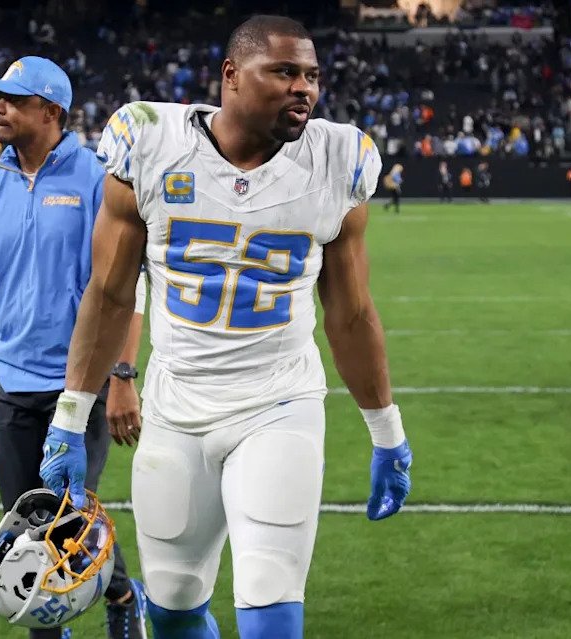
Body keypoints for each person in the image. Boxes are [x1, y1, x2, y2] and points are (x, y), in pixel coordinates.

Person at [38, 16, 413, 639]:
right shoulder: (151, 143)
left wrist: (386, 429)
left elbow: (350, 313)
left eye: (312, 75)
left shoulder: (336, 160)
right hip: (175, 407)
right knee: (174, 606)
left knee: (269, 596)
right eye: (285, 72)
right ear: (231, 76)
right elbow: (108, 295)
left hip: (278, 404)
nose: (304, 89)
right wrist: (71, 417)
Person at [0, 56, 148, 639]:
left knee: (69, 524)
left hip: (79, 385)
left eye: (11, 98)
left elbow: (125, 290)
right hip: (9, 383)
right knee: (27, 535)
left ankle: (121, 593)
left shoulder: (98, 178)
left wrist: (123, 376)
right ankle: (65, 620)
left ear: (51, 111)